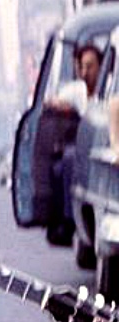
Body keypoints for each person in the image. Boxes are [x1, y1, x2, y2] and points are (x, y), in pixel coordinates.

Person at [47, 40, 102, 245]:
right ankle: (67, 221)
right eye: (83, 66)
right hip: (84, 148)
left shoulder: (109, 86)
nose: (86, 72)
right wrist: (63, 107)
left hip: (104, 147)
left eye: (91, 66)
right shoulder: (77, 91)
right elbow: (53, 101)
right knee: (63, 164)